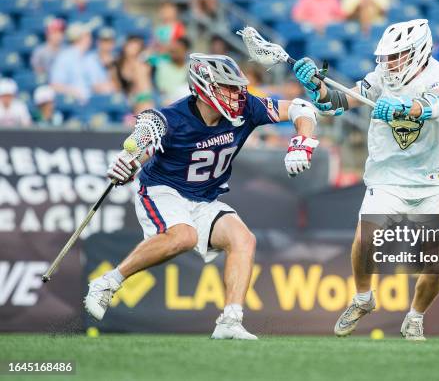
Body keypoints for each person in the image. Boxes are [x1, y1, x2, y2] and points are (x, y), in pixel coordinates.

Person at [84, 54, 320, 340]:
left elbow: (301, 108)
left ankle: (230, 320)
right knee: (183, 236)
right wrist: (126, 163)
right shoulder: (172, 119)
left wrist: (301, 142)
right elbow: (141, 142)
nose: (237, 94)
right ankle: (108, 283)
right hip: (163, 190)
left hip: (205, 198)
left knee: (243, 239)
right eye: (227, 87)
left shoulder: (247, 108)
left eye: (237, 87)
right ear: (204, 88)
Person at [292, 19, 439, 340]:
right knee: (366, 238)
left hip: (435, 181)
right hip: (388, 177)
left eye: (397, 56)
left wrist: (402, 107)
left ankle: (415, 317)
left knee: (437, 262)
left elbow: (434, 104)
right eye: (388, 57)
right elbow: (337, 104)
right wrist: (318, 87)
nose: (390, 63)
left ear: (418, 52)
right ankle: (363, 298)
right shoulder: (380, 77)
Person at [50, 22, 111, 101]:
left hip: (94, 102)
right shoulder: (64, 57)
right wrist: (74, 92)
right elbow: (55, 85)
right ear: (79, 37)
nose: (90, 38)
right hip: (73, 104)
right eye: (87, 35)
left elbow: (99, 83)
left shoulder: (91, 58)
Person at [111, 35, 154, 113]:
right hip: (124, 98)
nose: (132, 49)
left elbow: (145, 89)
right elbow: (116, 86)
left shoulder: (141, 65)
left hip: (140, 98)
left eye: (136, 47)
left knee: (145, 105)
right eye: (130, 45)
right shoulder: (117, 64)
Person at [155, 37, 192, 105]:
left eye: (179, 49)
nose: (175, 51)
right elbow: (162, 91)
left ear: (186, 51)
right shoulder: (162, 66)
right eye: (173, 50)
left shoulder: (191, 68)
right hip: (167, 102)